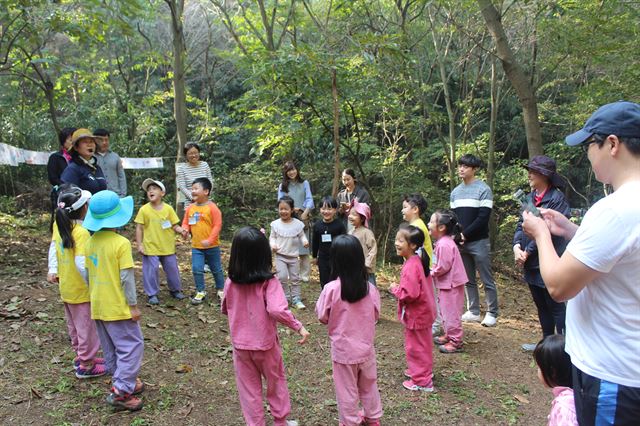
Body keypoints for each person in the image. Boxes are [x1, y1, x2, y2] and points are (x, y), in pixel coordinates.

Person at [522, 101, 640, 424]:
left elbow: (559, 285)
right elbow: (623, 258)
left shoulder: (616, 209)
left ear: (612, 144)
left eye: (590, 145)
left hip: (612, 376)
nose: (588, 154)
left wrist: (541, 234)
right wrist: (572, 230)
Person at [222, 226, 310, 426]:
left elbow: (226, 307)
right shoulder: (269, 282)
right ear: (263, 255)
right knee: (276, 382)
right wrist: (298, 326)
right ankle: (280, 421)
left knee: (249, 390)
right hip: (266, 346)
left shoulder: (230, 282)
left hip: (241, 346)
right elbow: (277, 309)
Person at [82, 190, 145, 411]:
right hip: (118, 307)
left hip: (98, 305)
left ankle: (122, 381)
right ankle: (121, 392)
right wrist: (133, 306)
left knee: (111, 346)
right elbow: (126, 278)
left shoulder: (90, 242)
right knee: (131, 346)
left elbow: (86, 274)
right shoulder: (121, 243)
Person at [316, 235, 383, 426]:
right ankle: (373, 418)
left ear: (335, 260)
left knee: (346, 391)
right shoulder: (370, 289)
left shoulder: (331, 289)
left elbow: (322, 316)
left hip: (343, 352)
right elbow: (376, 314)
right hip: (366, 349)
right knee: (369, 385)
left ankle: (350, 422)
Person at [46, 184, 105, 379]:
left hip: (67, 288)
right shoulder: (81, 233)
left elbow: (53, 246)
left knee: (75, 326)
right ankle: (86, 364)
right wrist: (93, 283)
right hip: (81, 291)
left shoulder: (59, 224)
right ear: (85, 209)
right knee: (86, 328)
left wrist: (53, 269)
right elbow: (82, 263)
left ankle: (81, 356)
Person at [513, 156, 570, 352]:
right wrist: (516, 247)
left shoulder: (556, 199)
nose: (529, 174)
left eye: (533, 171)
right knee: (541, 305)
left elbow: (549, 231)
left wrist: (527, 252)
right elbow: (521, 226)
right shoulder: (529, 198)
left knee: (555, 306)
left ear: (545, 175)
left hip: (549, 262)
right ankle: (546, 345)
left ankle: (563, 347)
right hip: (531, 264)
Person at [450, 153, 499, 327]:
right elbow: (453, 218)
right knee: (467, 278)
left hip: (479, 241)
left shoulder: (483, 189)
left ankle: (492, 312)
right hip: (462, 243)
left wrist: (465, 234)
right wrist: (456, 236)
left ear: (474, 169)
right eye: (460, 166)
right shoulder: (455, 192)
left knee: (486, 278)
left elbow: (483, 218)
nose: (461, 169)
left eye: (465, 166)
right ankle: (473, 311)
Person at [389, 225, 437, 392]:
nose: (396, 243)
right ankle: (421, 371)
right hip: (424, 313)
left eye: (401, 240)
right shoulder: (416, 261)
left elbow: (409, 293)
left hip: (417, 314)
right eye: (396, 239)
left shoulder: (411, 265)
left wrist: (395, 288)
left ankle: (422, 381)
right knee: (422, 344)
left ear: (413, 245)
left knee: (416, 347)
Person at [134, 179, 186, 305]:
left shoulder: (168, 209)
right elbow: (139, 228)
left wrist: (182, 230)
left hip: (167, 246)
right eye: (148, 189)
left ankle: (175, 290)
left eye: (154, 188)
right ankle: (152, 294)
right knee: (151, 270)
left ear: (162, 193)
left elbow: (174, 225)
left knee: (172, 269)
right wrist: (140, 244)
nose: (150, 191)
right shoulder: (144, 209)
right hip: (150, 247)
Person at [428, 209, 468, 354]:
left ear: (441, 227)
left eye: (432, 221)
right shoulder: (442, 242)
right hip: (447, 284)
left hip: (451, 284)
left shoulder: (444, 244)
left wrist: (431, 272)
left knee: (451, 312)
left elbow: (443, 266)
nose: (428, 224)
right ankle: (449, 335)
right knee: (445, 310)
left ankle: (456, 341)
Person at [181, 177, 225, 305]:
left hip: (213, 246)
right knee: (196, 268)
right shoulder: (190, 208)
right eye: (192, 189)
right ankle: (200, 291)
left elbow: (217, 225)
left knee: (216, 268)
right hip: (196, 246)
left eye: (196, 189)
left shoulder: (212, 207)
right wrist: (184, 230)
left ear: (206, 191)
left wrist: (210, 240)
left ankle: (221, 289)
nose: (193, 191)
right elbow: (186, 222)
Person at [401, 193, 438, 335]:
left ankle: (432, 325)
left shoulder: (418, 227)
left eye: (405, 207)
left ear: (415, 209)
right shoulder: (415, 225)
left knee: (427, 297)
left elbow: (419, 252)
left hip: (422, 270)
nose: (402, 210)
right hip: (418, 269)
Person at [277, 161, 314, 283]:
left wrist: (305, 212)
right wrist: (291, 210)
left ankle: (305, 275)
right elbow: (280, 201)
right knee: (288, 245)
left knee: (304, 247)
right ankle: (289, 273)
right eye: (289, 170)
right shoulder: (283, 186)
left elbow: (309, 199)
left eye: (293, 169)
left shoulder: (304, 183)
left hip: (303, 217)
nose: (292, 172)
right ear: (286, 173)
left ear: (297, 170)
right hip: (288, 217)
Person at [270, 196, 309, 309]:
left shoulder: (297, 224)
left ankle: (296, 299)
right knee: (281, 277)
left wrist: (305, 241)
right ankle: (285, 298)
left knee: (295, 278)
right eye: (281, 209)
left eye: (286, 209)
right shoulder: (275, 224)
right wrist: (273, 245)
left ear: (291, 210)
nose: (283, 211)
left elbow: (301, 235)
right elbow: (272, 238)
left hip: (293, 257)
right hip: (280, 256)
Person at [533, 335, 577, 426]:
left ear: (553, 371)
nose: (538, 371)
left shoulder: (565, 407)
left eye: (539, 367)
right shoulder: (577, 394)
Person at [312, 196, 347, 288]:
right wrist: (314, 256)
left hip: (337, 257)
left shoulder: (339, 225)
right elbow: (315, 242)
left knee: (336, 279)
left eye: (329, 209)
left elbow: (344, 240)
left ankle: (336, 298)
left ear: (335, 210)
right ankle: (325, 298)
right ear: (320, 209)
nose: (326, 211)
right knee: (324, 279)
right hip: (323, 257)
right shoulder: (317, 225)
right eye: (323, 208)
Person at [60, 128, 108, 194]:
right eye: (85, 142)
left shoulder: (97, 168)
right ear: (76, 147)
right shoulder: (72, 169)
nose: (89, 144)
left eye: (91, 141)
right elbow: (67, 195)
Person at [47, 127, 76, 227]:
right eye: (70, 139)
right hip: (62, 193)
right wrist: (66, 185)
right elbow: (52, 177)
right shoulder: (55, 157)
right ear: (63, 141)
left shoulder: (80, 158)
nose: (73, 142)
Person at [176, 142, 213, 218]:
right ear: (186, 155)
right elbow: (182, 187)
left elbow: (210, 182)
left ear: (199, 153)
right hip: (191, 204)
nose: (193, 155)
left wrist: (205, 196)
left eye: (195, 153)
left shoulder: (205, 165)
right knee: (193, 227)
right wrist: (194, 198)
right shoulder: (181, 168)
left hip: (206, 202)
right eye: (190, 153)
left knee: (208, 226)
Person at [348, 201, 377, 286]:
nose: (350, 216)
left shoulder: (367, 232)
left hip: (365, 270)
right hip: (353, 269)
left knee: (369, 289)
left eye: (354, 214)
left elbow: (373, 249)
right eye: (350, 214)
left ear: (362, 218)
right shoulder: (350, 232)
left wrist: (367, 264)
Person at [94, 128, 127, 197]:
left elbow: (121, 176)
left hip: (115, 195)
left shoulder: (115, 156)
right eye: (101, 140)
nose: (104, 143)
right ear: (95, 141)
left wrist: (122, 194)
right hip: (98, 197)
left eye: (106, 140)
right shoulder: (90, 157)